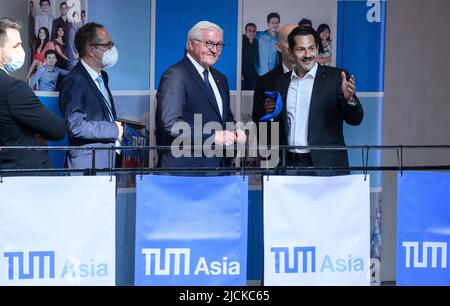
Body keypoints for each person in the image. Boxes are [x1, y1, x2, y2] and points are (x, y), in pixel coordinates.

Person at [156, 21, 246, 168]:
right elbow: (170, 124)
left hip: (218, 169)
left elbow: (225, 119)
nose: (214, 50)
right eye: (209, 43)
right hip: (186, 171)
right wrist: (212, 137)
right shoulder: (175, 75)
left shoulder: (220, 78)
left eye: (219, 45)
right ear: (191, 45)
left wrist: (235, 131)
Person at [275, 26, 363, 176]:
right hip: (289, 165)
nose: (308, 55)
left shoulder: (336, 78)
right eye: (301, 49)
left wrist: (349, 99)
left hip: (325, 166)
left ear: (317, 48)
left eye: (311, 48)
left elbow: (355, 119)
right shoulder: (281, 82)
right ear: (290, 52)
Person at [0, 17, 65, 170]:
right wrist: (34, 133)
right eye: (15, 46)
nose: (21, 51)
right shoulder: (13, 88)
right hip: (23, 177)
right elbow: (57, 129)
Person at [59, 22, 124, 170]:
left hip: (106, 162)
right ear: (91, 49)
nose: (112, 49)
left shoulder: (103, 77)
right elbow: (75, 126)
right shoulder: (74, 81)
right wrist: (113, 129)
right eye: (107, 45)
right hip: (87, 167)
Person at [252, 23, 297, 145]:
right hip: (278, 156)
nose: (296, 46)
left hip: (314, 158)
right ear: (278, 46)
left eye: (298, 41)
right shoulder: (264, 82)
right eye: (290, 41)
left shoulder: (321, 79)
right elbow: (259, 124)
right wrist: (269, 115)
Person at [256, 12, 280, 76]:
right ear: (268, 24)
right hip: (260, 73)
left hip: (274, 74)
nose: (275, 25)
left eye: (276, 23)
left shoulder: (281, 38)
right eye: (272, 22)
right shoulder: (259, 35)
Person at [241, 22, 258, 90]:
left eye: (254, 31)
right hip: (243, 75)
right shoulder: (241, 42)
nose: (252, 32)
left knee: (252, 95)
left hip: (254, 75)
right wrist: (240, 73)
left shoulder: (257, 43)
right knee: (242, 95)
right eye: (249, 30)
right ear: (245, 32)